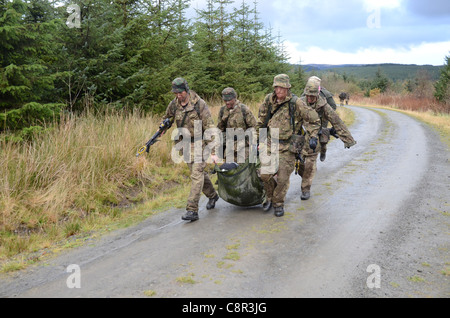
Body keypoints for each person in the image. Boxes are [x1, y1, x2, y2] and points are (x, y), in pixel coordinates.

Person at [256, 74, 321, 217]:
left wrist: (313, 136)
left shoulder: (296, 102)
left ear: (287, 88)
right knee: (265, 175)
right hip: (269, 142)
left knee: (283, 178)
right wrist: (258, 141)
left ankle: (278, 203)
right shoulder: (269, 100)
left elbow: (314, 120)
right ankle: (269, 196)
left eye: (281, 88)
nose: (278, 91)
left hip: (287, 146)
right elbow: (261, 121)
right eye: (276, 87)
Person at [162, 78, 220, 221]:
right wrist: (163, 126)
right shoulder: (174, 104)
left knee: (196, 175)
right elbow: (167, 117)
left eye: (180, 92)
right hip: (186, 145)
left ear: (186, 90)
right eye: (175, 93)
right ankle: (213, 195)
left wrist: (213, 152)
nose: (178, 95)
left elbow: (210, 127)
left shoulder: (199, 104)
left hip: (201, 144)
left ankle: (192, 210)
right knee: (199, 175)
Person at [298, 76, 357, 201]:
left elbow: (337, 121)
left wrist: (347, 140)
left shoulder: (324, 104)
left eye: (312, 96)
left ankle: (306, 189)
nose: (309, 98)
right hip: (301, 135)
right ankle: (306, 176)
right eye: (308, 95)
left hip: (317, 134)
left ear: (317, 93)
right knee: (300, 164)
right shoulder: (300, 102)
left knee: (310, 163)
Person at [301, 76, 337, 161]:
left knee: (322, 139)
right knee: (308, 138)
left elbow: (333, 107)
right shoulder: (305, 93)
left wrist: (326, 112)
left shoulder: (325, 94)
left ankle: (323, 151)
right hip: (309, 120)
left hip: (322, 120)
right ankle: (310, 159)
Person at [217, 87, 257, 163]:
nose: (227, 102)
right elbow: (219, 129)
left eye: (229, 100)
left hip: (243, 147)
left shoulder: (243, 109)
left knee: (243, 172)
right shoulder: (223, 110)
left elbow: (254, 127)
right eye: (225, 100)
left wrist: (253, 144)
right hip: (229, 147)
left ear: (235, 98)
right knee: (229, 171)